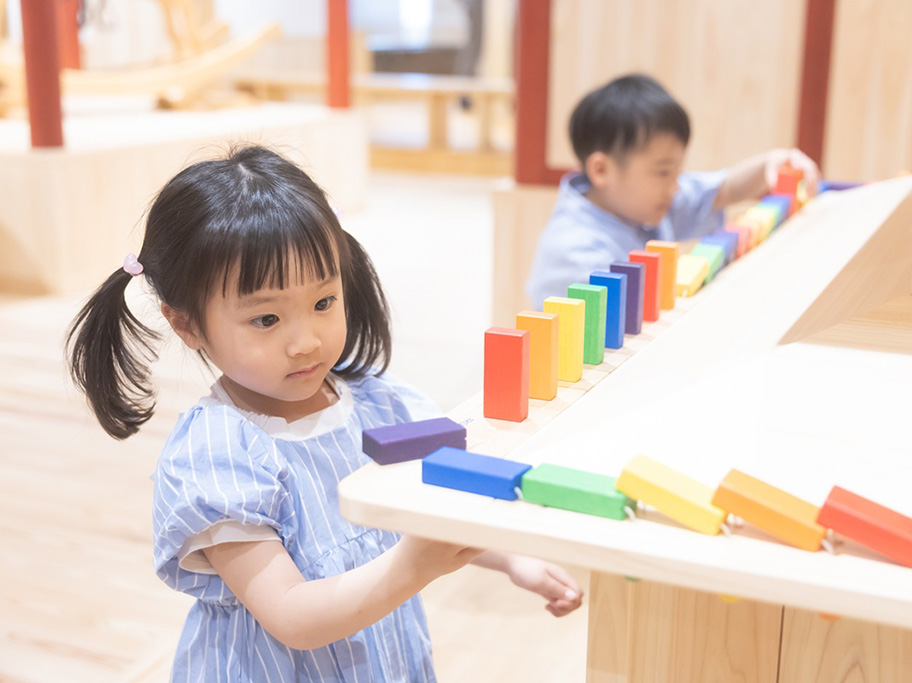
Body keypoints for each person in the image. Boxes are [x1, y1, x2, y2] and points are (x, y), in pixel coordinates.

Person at [66, 145, 582, 681]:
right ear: (187, 325)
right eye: (266, 319)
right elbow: (292, 616)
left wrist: (510, 557)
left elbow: (437, 504)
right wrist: (412, 566)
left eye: (323, 302)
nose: (306, 342)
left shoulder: (382, 403)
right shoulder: (218, 456)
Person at [525, 73, 821, 309]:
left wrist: (772, 162)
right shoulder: (575, 254)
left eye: (677, 171)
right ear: (601, 170)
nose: (675, 185)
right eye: (664, 171)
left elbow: (724, 190)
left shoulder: (639, 203)